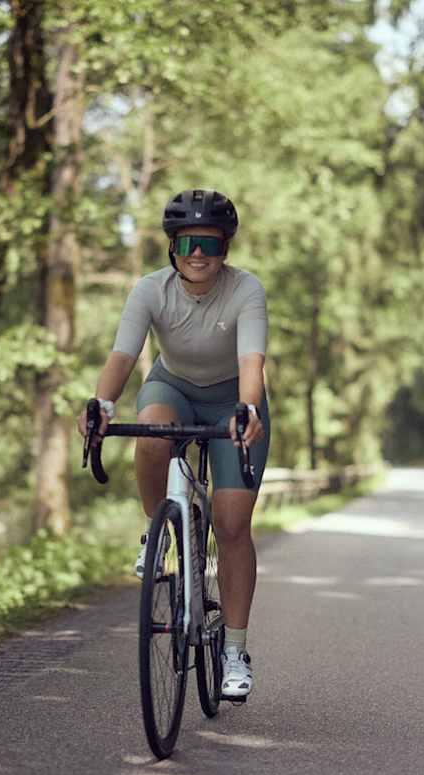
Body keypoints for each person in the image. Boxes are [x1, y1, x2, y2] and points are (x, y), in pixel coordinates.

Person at [78, 188, 269, 701]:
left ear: (225, 248)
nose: (198, 253)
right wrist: (102, 404)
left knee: (232, 525)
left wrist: (248, 410)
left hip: (233, 401)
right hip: (174, 387)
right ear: (172, 248)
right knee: (152, 431)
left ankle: (234, 652)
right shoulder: (150, 290)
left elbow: (252, 362)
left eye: (210, 243)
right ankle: (156, 531)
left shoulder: (246, 289)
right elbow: (123, 355)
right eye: (187, 243)